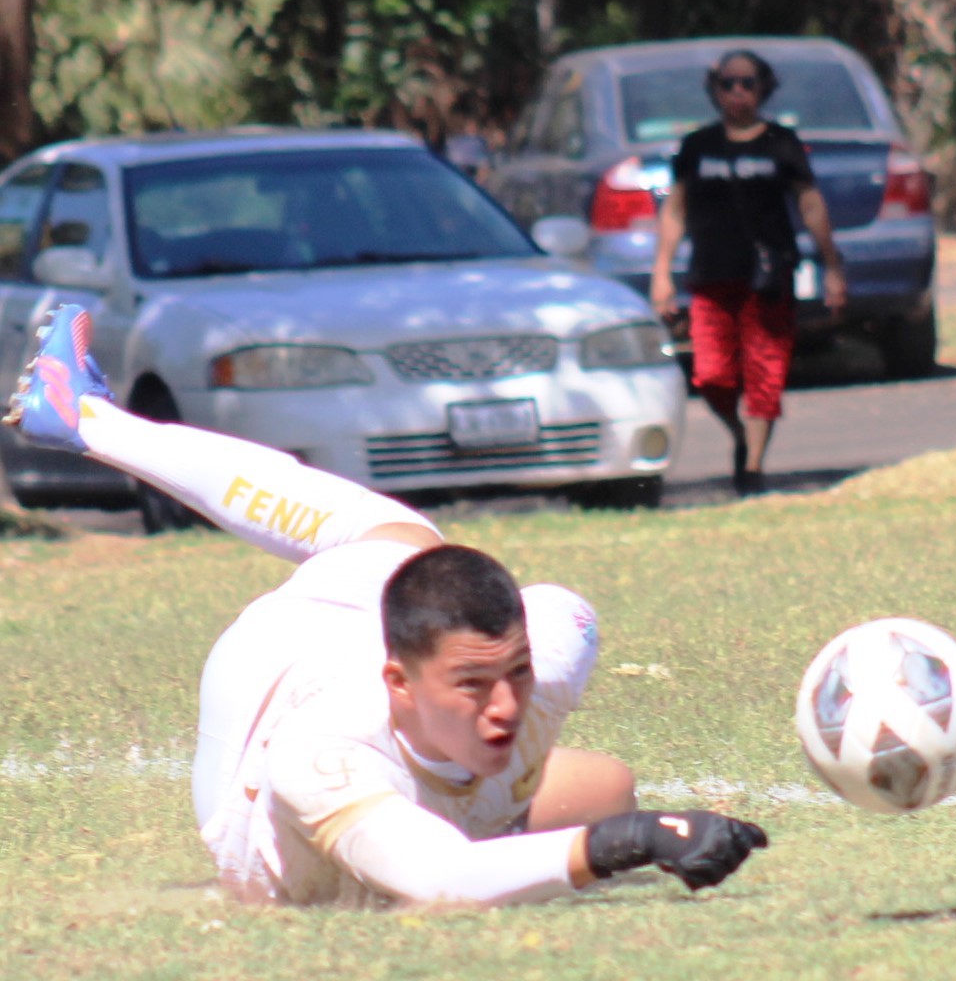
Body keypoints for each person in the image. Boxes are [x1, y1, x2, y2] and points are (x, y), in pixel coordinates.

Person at [5, 305, 767, 906]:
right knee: (402, 541)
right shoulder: (320, 755)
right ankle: (83, 417)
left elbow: (564, 619)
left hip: (385, 676)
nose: (506, 705)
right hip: (270, 676)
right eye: (472, 685)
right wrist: (625, 841)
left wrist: (622, 820)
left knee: (608, 785)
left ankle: (78, 415)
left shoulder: (548, 653)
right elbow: (444, 882)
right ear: (399, 682)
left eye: (517, 673)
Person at [651, 49, 846, 496]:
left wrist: (832, 265)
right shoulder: (697, 146)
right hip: (711, 277)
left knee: (765, 373)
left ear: (763, 88)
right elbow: (674, 209)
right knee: (712, 374)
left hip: (769, 278)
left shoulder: (782, 143)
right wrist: (662, 272)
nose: (737, 93)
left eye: (748, 83)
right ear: (715, 89)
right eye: (728, 83)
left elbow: (810, 205)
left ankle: (753, 469)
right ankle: (740, 435)